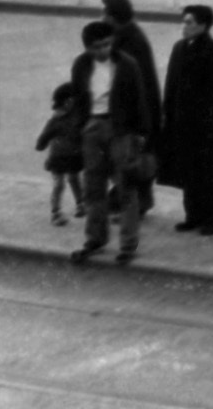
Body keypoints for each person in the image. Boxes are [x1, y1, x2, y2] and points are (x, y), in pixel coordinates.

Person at [67, 20, 152, 266]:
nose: (103, 50)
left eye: (106, 44)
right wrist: (79, 127)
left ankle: (128, 243)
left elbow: (139, 99)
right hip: (92, 126)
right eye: (96, 47)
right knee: (93, 186)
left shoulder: (127, 64)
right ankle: (95, 238)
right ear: (87, 48)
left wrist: (141, 134)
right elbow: (78, 97)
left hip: (120, 129)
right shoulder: (81, 65)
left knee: (126, 187)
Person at [159, 4, 213, 236]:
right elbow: (170, 85)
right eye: (183, 21)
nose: (184, 26)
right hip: (183, 123)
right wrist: (167, 114)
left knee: (211, 172)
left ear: (203, 25)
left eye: (189, 22)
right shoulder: (179, 48)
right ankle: (193, 215)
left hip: (208, 126)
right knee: (189, 170)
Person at [101, 0, 161, 212]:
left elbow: (134, 84)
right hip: (132, 110)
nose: (102, 17)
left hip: (135, 112)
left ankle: (138, 202)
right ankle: (127, 197)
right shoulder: (126, 36)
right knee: (128, 157)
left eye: (105, 13)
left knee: (134, 157)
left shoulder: (131, 41)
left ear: (112, 17)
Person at [35, 81, 85, 226]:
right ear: (68, 102)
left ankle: (80, 204)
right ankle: (56, 212)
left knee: (72, 180)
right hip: (58, 157)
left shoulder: (75, 116)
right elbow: (45, 135)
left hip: (72, 156)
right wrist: (40, 144)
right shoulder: (56, 120)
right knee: (60, 183)